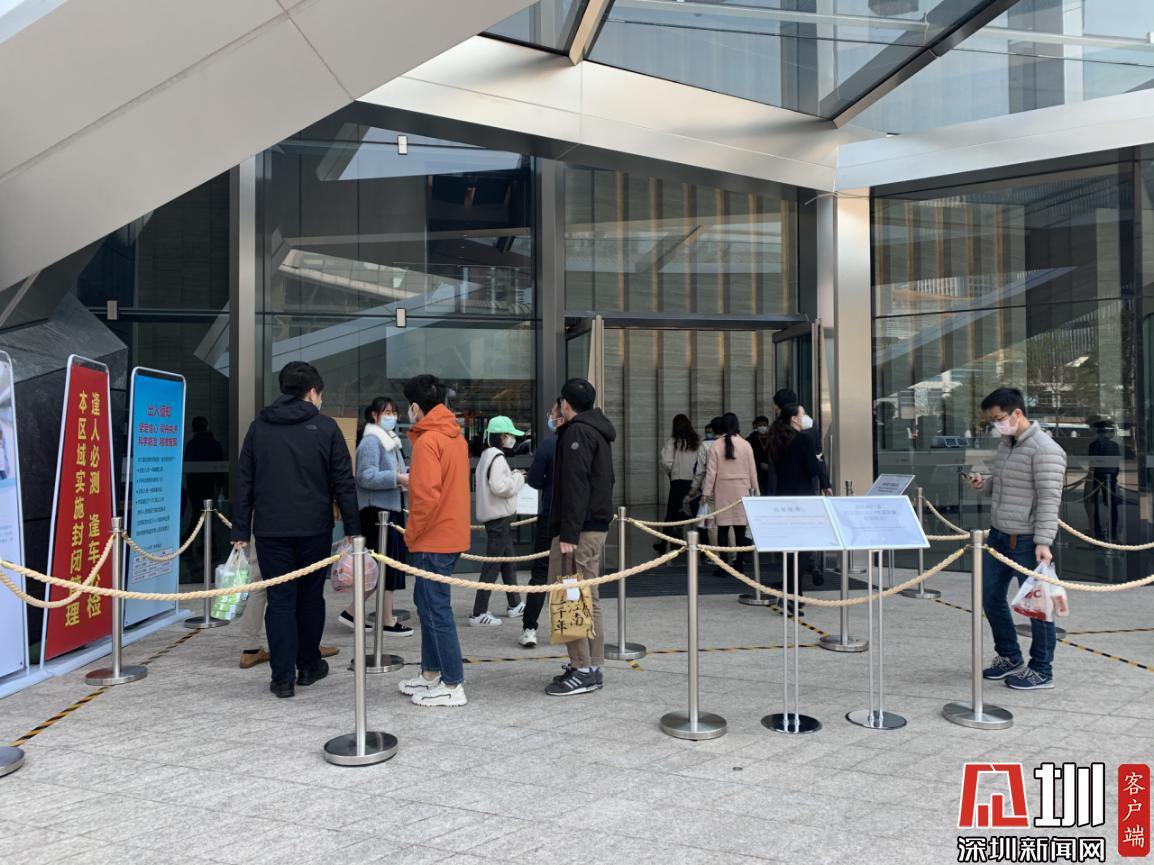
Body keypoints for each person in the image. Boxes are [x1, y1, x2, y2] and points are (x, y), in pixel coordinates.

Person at [231, 361, 360, 699]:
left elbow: (244, 481)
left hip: (270, 529)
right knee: (309, 597)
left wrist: (240, 529)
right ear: (313, 392)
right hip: (314, 528)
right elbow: (343, 481)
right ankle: (309, 665)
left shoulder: (259, 427)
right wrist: (353, 526)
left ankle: (282, 678)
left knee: (280, 599)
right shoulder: (326, 427)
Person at [967, 386, 1066, 690]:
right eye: (993, 420)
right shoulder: (1007, 444)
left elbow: (1049, 499)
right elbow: (1007, 485)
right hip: (999, 536)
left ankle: (1041, 669)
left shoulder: (1045, 449)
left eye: (999, 418)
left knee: (1039, 606)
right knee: (989, 596)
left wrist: (1043, 541)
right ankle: (1009, 656)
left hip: (1027, 540)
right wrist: (984, 484)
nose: (996, 424)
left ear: (1017, 413)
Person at [396, 374, 471, 707]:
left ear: (415, 407)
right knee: (428, 605)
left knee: (435, 610)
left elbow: (425, 497)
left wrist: (411, 534)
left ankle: (452, 683)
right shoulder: (454, 436)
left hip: (432, 537)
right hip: (451, 533)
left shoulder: (427, 441)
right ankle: (430, 672)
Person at [545, 378, 616, 696]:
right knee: (588, 596)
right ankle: (591, 665)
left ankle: (582, 668)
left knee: (569, 595)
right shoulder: (597, 430)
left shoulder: (577, 432)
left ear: (565, 403)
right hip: (594, 526)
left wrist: (568, 532)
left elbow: (576, 485)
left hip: (578, 530)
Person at [343, 397, 412, 636]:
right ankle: (382, 618)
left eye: (394, 412)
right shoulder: (372, 441)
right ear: (374, 414)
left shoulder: (388, 440)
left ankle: (356, 613)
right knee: (382, 566)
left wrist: (403, 476)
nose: (391, 416)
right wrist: (398, 478)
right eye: (386, 412)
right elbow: (365, 476)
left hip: (388, 509)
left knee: (384, 566)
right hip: (377, 512)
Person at [236, 538, 339, 668]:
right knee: (296, 581)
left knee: (257, 583)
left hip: (260, 529)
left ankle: (250, 648)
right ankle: (307, 646)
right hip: (276, 532)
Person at [769, 403, 826, 615]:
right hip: (803, 500)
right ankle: (791, 597)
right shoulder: (803, 440)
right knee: (803, 550)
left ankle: (793, 594)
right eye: (802, 414)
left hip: (784, 498)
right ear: (794, 418)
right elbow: (812, 470)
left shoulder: (776, 440)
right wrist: (818, 460)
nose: (804, 417)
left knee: (790, 550)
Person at [470, 416, 527, 627]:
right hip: (498, 518)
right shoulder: (498, 457)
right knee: (493, 565)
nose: (512, 439)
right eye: (509, 435)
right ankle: (479, 612)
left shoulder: (487, 455)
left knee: (506, 561)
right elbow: (500, 487)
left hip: (494, 517)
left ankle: (515, 603)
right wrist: (519, 478)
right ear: (501, 437)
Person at [520, 400, 565, 649]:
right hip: (576, 518)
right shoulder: (586, 442)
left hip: (550, 515)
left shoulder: (549, 445)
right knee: (571, 575)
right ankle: (570, 626)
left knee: (540, 574)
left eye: (553, 413)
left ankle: (530, 628)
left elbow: (534, 480)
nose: (550, 416)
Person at [702, 412, 758, 575]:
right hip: (742, 490)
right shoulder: (746, 445)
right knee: (740, 528)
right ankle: (739, 563)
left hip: (723, 490)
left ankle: (723, 565)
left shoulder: (716, 445)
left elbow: (711, 473)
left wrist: (706, 492)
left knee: (723, 528)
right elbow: (752, 471)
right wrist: (756, 492)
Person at [655, 414, 701, 553]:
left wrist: (673, 471)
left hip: (678, 481)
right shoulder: (696, 441)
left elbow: (666, 462)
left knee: (670, 515)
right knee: (699, 515)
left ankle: (663, 544)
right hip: (693, 480)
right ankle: (704, 547)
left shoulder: (673, 442)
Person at [1087, 419, 1121, 541]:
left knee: (1098, 504)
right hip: (1107, 477)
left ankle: (1100, 531)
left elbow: (1092, 463)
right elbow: (1116, 464)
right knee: (1109, 505)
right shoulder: (1114, 445)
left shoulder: (1094, 445)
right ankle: (1110, 531)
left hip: (1100, 477)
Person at [747, 415, 775, 497]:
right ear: (756, 426)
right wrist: (759, 464)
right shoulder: (750, 439)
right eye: (760, 425)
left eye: (764, 425)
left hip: (770, 472)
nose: (762, 427)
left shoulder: (773, 438)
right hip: (757, 472)